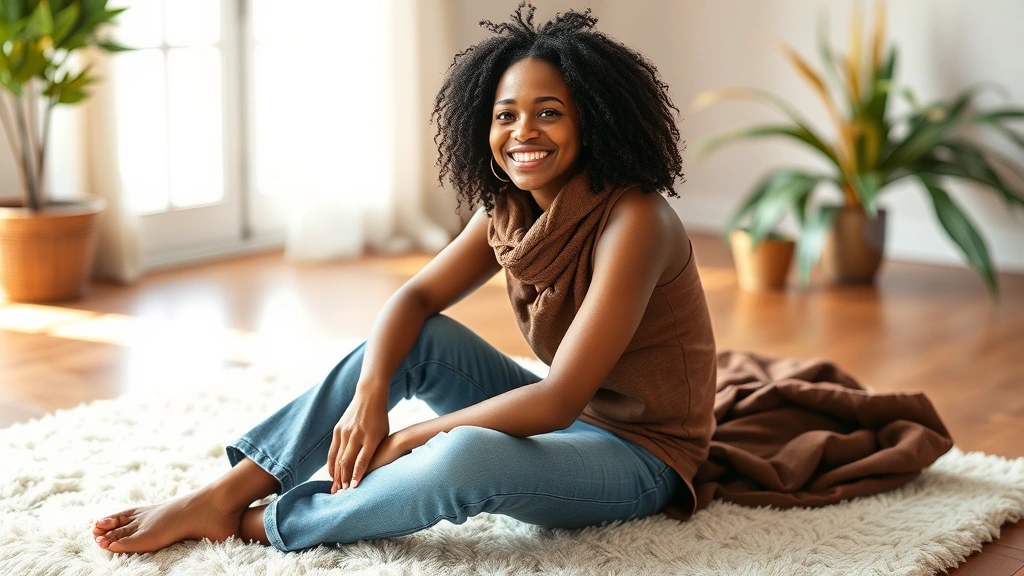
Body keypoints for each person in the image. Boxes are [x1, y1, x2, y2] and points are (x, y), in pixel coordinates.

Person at [92, 3, 717, 553]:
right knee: (420, 338)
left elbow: (558, 402)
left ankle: (260, 524)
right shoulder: (508, 210)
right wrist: (370, 394)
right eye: (505, 115)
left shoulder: (636, 219)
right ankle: (225, 494)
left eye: (548, 112)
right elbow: (415, 298)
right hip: (569, 420)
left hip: (641, 455)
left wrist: (413, 437)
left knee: (465, 455)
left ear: (594, 122)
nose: (523, 132)